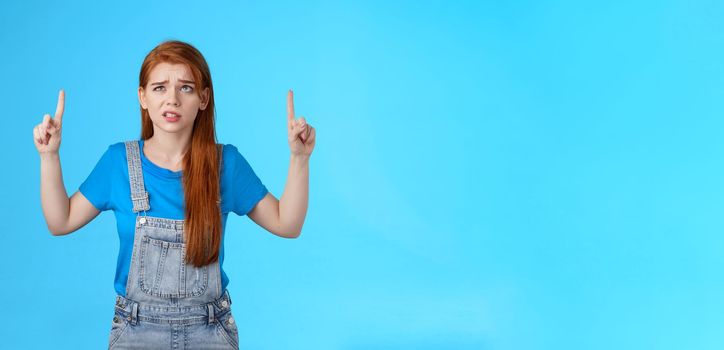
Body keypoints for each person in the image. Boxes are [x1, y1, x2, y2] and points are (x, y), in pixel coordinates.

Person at [33, 40, 316, 349]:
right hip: (136, 333)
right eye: (159, 88)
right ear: (142, 97)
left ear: (203, 98)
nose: (172, 99)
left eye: (185, 88)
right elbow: (60, 222)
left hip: (210, 333)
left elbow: (287, 225)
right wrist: (49, 157)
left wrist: (299, 158)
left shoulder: (226, 165)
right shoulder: (118, 163)